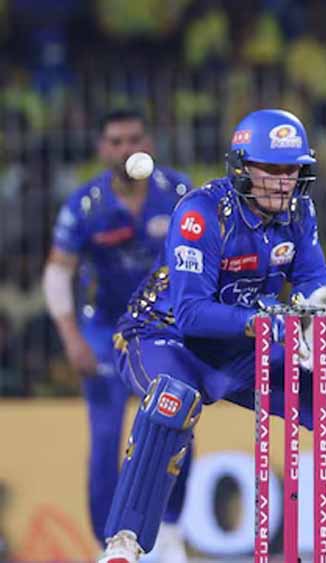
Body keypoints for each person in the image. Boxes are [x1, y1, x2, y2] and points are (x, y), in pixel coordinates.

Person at [96, 109, 326, 563]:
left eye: (292, 170)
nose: (283, 182)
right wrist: (271, 322)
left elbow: (311, 275)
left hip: (245, 344)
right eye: (271, 169)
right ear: (242, 167)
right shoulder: (201, 214)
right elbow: (191, 314)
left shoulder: (299, 210)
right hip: (163, 336)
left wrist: (325, 303)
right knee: (173, 401)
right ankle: (124, 542)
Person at [43, 109, 193, 561]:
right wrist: (72, 338)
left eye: (134, 138)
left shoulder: (179, 194)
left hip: (163, 329)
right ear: (102, 149)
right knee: (107, 437)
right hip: (105, 330)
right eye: (116, 141)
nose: (127, 149)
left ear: (150, 143)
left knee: (179, 425)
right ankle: (107, 542)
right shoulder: (85, 205)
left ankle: (170, 531)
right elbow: (57, 273)